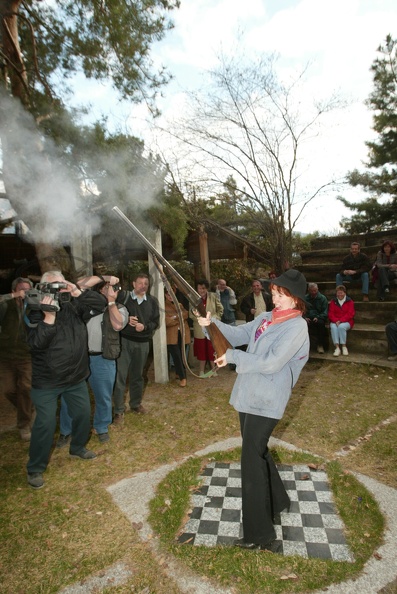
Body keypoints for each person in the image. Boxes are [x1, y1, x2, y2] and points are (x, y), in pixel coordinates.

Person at [196, 268, 309, 551]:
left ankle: (259, 535)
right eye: (274, 293)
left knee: (250, 459)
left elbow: (272, 362)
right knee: (255, 450)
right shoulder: (265, 318)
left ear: (296, 300)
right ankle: (279, 501)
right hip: (248, 394)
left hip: (268, 400)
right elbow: (236, 334)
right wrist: (212, 324)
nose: (276, 299)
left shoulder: (297, 327)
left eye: (282, 295)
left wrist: (232, 357)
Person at [25, 271, 106, 489]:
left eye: (60, 284)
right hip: (47, 381)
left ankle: (77, 447)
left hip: (75, 377)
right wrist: (48, 318)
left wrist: (77, 291)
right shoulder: (34, 307)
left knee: (82, 414)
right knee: (46, 424)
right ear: (42, 288)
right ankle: (35, 468)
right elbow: (34, 344)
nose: (58, 290)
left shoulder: (72, 304)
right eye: (53, 286)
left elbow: (100, 305)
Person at [57, 275, 128, 445]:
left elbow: (118, 325)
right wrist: (105, 277)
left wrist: (111, 302)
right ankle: (66, 431)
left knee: (103, 396)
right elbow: (78, 284)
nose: (107, 290)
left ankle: (101, 427)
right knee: (69, 396)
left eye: (111, 288)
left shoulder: (120, 308)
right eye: (104, 287)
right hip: (78, 358)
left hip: (103, 359)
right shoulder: (84, 302)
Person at [113, 273, 160, 422]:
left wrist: (144, 326)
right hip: (125, 341)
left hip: (143, 343)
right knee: (120, 376)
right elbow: (111, 311)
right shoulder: (124, 298)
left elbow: (155, 322)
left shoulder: (152, 301)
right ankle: (118, 410)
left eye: (146, 283)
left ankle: (135, 404)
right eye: (140, 283)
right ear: (134, 284)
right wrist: (125, 320)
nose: (143, 286)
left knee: (137, 376)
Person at [0, 277, 34, 441]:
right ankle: (27, 409)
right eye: (21, 289)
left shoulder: (32, 306)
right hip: (6, 356)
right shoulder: (6, 305)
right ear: (14, 290)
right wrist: (13, 297)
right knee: (9, 391)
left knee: (25, 388)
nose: (24, 292)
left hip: (26, 355)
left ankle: (24, 424)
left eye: (27, 289)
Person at [190, 278, 223, 376]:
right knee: (201, 349)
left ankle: (213, 369)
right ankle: (201, 370)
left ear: (207, 288)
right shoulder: (193, 298)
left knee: (212, 348)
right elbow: (191, 314)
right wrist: (200, 319)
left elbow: (220, 309)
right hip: (199, 328)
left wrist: (213, 319)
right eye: (200, 288)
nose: (202, 290)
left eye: (204, 288)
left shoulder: (213, 296)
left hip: (212, 327)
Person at [164, 290, 191, 387]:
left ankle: (178, 372)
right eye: (167, 294)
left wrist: (174, 317)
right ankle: (182, 377)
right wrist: (179, 319)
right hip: (172, 334)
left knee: (182, 354)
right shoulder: (163, 306)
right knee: (176, 355)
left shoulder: (179, 304)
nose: (170, 296)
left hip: (183, 333)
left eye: (171, 294)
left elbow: (186, 314)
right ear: (165, 295)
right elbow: (166, 322)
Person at [328, 285, 355, 357]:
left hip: (347, 321)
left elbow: (350, 314)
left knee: (341, 327)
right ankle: (337, 348)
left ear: (345, 293)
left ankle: (344, 346)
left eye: (341, 293)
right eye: (338, 293)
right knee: (333, 327)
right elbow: (331, 313)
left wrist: (341, 320)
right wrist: (336, 320)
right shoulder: (333, 302)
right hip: (335, 321)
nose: (339, 295)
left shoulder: (350, 301)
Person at [304, 282, 329, 353]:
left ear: (317, 289)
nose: (313, 292)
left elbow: (325, 311)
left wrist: (318, 317)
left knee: (321, 324)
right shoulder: (305, 298)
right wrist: (305, 317)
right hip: (308, 317)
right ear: (309, 290)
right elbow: (302, 310)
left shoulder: (322, 298)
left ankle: (320, 345)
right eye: (312, 291)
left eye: (315, 290)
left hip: (319, 317)